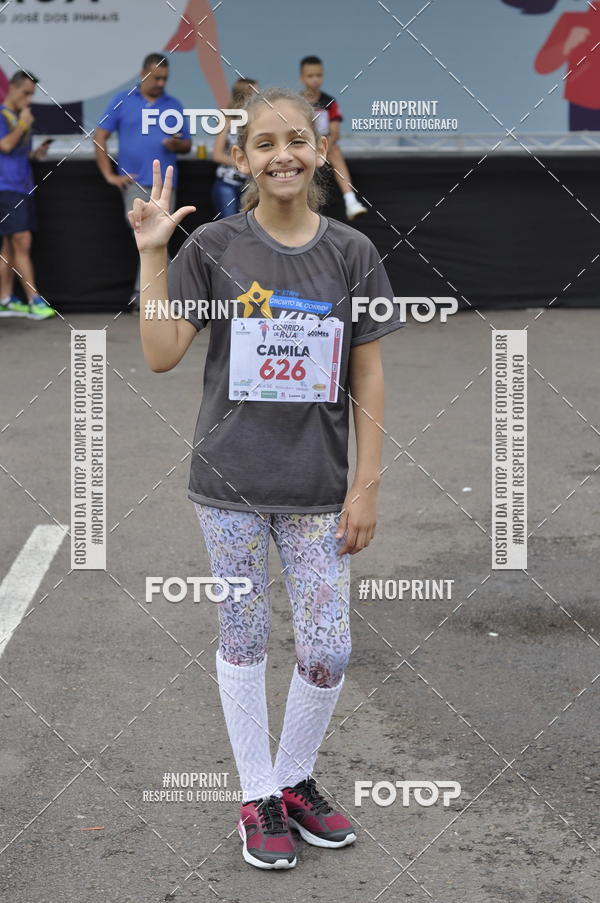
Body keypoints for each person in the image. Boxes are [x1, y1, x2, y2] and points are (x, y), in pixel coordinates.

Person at [130, 86, 404, 870]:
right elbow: (160, 353)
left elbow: (369, 374)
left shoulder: (351, 252)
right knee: (245, 635)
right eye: (264, 143)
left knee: (329, 647)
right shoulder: (215, 245)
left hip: (318, 486)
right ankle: (258, 793)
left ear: (318, 151)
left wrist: (367, 482)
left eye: (296, 140)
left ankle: (293, 778)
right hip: (231, 485)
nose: (282, 155)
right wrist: (153, 254)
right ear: (242, 158)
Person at [93, 52, 192, 310]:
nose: (161, 83)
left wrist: (177, 144)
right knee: (146, 235)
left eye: (165, 79)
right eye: (156, 78)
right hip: (134, 183)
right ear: (143, 74)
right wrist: (108, 174)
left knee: (157, 237)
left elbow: (187, 144)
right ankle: (169, 293)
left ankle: (146, 295)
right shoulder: (123, 100)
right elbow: (99, 136)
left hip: (166, 185)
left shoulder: (173, 104)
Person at [0, 70, 55, 320]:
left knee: (10, 245)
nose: (29, 99)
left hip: (22, 186)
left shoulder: (20, 118)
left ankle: (5, 299)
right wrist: (23, 123)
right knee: (22, 240)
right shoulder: (4, 115)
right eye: (25, 93)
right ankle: (34, 300)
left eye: (32, 95)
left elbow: (17, 153)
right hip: (6, 187)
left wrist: (36, 154)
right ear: (12, 88)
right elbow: (5, 146)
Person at [299, 55, 367, 221]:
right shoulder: (296, 102)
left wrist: (323, 148)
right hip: (301, 145)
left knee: (335, 150)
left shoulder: (329, 102)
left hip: (323, 147)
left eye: (319, 75)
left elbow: (335, 132)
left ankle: (351, 201)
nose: (315, 80)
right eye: (310, 76)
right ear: (302, 78)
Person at [535, 0, 600, 130]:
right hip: (582, 103)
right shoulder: (572, 21)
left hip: (581, 100)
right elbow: (542, 65)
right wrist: (567, 44)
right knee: (580, 143)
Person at [211, 78, 257, 219]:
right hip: (228, 183)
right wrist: (243, 164)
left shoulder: (256, 120)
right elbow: (217, 155)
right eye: (255, 93)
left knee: (249, 224)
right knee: (229, 224)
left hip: (251, 185)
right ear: (244, 96)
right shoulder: (227, 119)